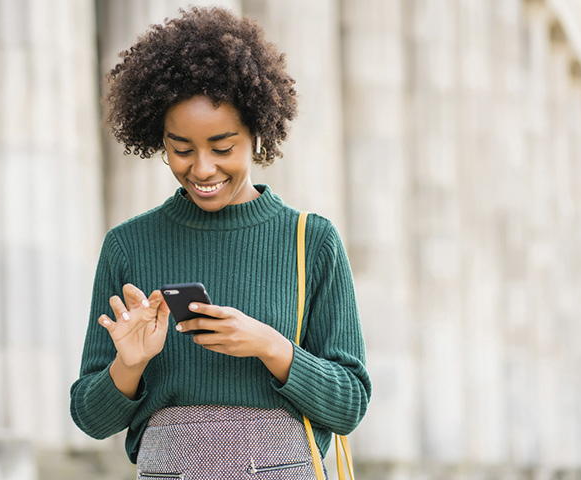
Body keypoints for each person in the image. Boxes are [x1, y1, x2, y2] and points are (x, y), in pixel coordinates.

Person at [70, 6, 371, 479]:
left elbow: (350, 404)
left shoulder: (312, 242)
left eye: (223, 147)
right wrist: (128, 367)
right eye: (181, 149)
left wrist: (271, 347)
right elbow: (91, 418)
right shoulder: (128, 245)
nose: (203, 169)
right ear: (159, 140)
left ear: (256, 131)